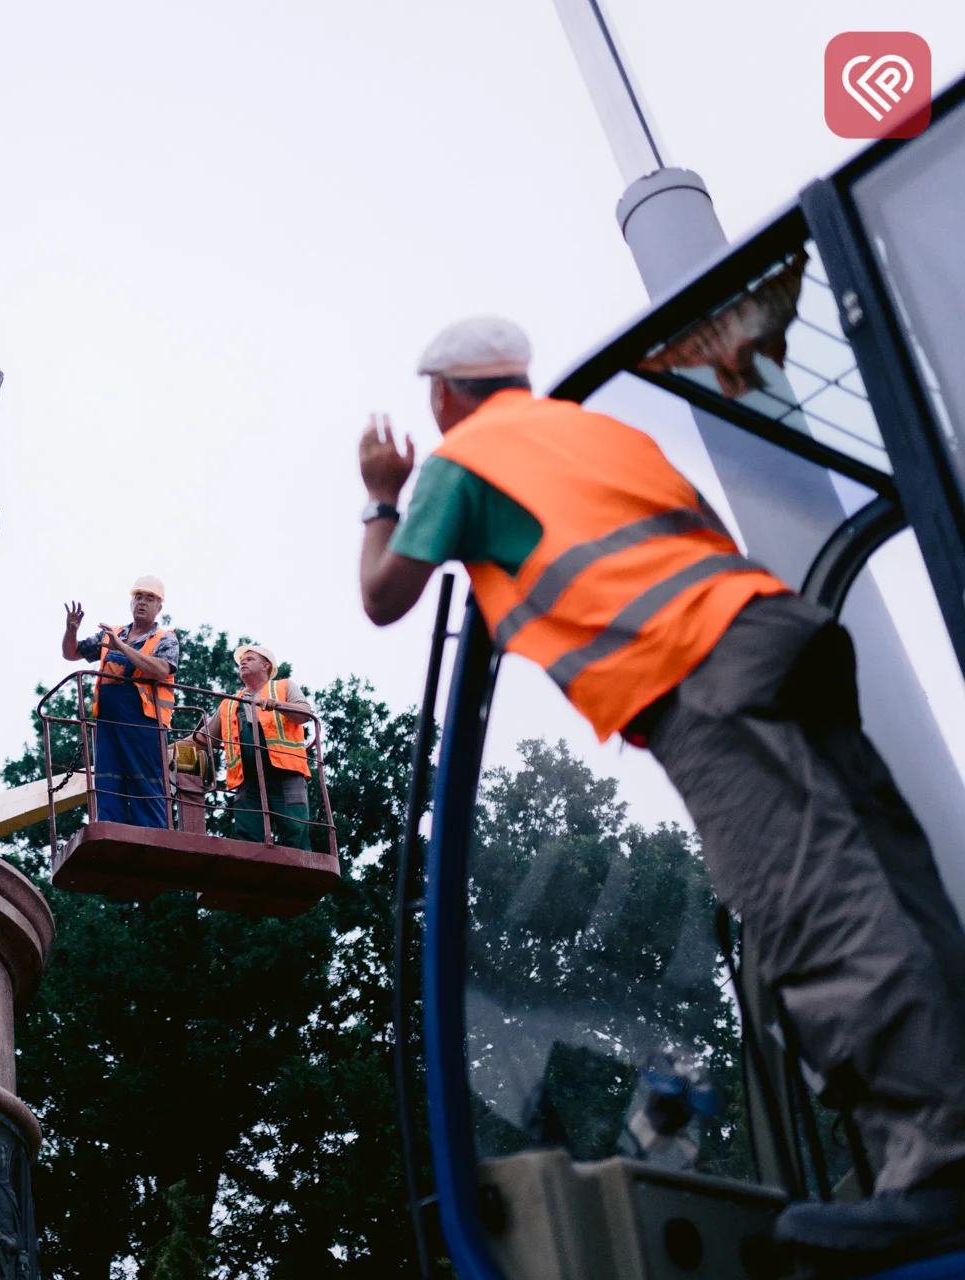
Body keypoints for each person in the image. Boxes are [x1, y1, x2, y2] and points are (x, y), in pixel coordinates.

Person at [357, 315, 965, 1264]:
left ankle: (940, 1171)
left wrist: (381, 497)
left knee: (814, 909)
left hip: (697, 673)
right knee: (897, 886)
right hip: (776, 630)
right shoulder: (603, 432)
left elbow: (385, 594)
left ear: (444, 395)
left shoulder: (466, 459)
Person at [62, 579, 178, 828]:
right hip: (108, 724)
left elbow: (160, 670)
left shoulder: (164, 639)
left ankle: (152, 841)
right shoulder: (112, 634)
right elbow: (71, 654)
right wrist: (71, 630)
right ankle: (111, 838)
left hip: (145, 726)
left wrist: (123, 647)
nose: (142, 602)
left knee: (145, 787)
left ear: (159, 607)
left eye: (149, 598)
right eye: (138, 597)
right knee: (107, 784)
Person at [198, 644, 314, 848]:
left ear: (265, 666)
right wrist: (172, 747)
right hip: (247, 778)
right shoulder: (230, 703)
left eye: (250, 659)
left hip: (285, 774)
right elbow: (203, 738)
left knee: (295, 831)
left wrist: (277, 704)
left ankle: (299, 875)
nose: (243, 661)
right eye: (242, 660)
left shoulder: (283, 687)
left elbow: (305, 713)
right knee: (249, 837)